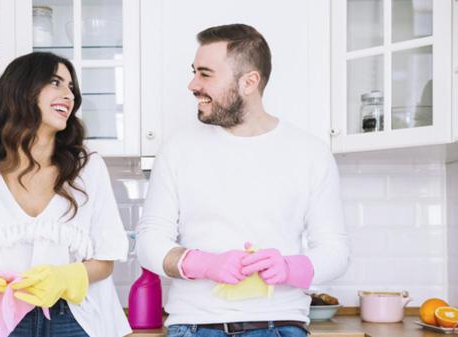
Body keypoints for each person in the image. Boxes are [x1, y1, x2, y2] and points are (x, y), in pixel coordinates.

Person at [135, 24, 349, 337]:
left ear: (249, 82)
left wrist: (289, 268)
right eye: (194, 72)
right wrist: (203, 264)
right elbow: (148, 241)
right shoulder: (178, 148)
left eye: (205, 74)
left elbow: (336, 251)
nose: (193, 84)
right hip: (195, 327)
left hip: (281, 326)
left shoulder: (310, 153)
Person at [0, 52, 131, 337]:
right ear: (21, 91)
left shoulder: (88, 169)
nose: (69, 95)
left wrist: (65, 277)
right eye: (56, 82)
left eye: (71, 87)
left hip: (75, 319)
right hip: (6, 321)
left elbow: (105, 263)